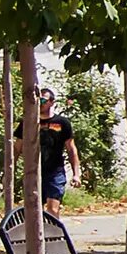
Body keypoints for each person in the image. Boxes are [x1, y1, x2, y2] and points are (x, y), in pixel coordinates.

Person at [34, 88, 81, 216]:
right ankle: (39, 236)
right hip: (34, 172)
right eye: (38, 100)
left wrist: (76, 174)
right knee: (35, 212)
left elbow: (71, 149)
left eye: (43, 100)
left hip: (55, 172)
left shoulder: (61, 123)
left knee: (52, 210)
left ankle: (54, 235)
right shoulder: (29, 123)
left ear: (52, 102)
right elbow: (17, 148)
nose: (40, 103)